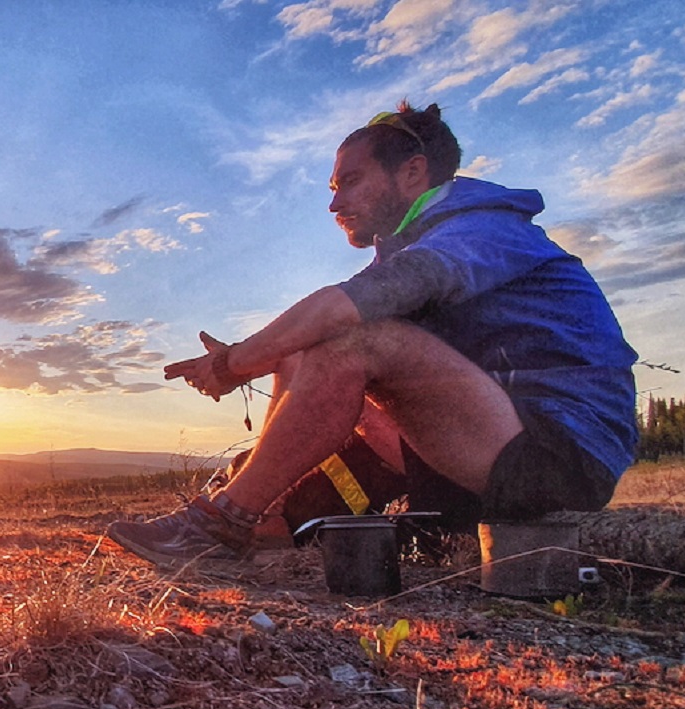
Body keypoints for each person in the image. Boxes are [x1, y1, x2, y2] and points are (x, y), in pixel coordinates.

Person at [107, 102, 638, 570]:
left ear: (412, 173)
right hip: (485, 444)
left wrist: (233, 365)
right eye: (334, 189)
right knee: (305, 347)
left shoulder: (480, 229)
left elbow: (345, 312)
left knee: (352, 340)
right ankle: (263, 518)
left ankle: (218, 523)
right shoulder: (416, 244)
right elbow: (322, 323)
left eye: (350, 182)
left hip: (556, 456)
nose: (335, 206)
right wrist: (256, 359)